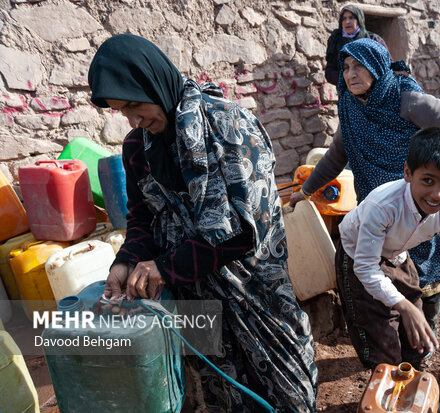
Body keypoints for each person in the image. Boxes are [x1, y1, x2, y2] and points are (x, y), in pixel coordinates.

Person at [87, 34, 317, 412]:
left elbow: (245, 231)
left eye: (134, 105)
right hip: (194, 296)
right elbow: (143, 216)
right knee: (223, 393)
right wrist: (126, 260)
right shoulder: (137, 148)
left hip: (254, 291)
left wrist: (164, 267)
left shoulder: (228, 125)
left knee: (283, 391)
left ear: (153, 81)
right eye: (121, 112)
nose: (133, 119)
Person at [290, 38, 440, 339]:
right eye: (346, 67)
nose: (351, 74)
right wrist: (307, 191)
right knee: (385, 270)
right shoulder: (350, 106)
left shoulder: (406, 99)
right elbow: (338, 154)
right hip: (380, 207)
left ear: (377, 67)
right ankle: (401, 340)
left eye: (360, 66)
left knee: (424, 269)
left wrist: (428, 163)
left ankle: (426, 341)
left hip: (417, 200)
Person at [335, 126, 440, 369]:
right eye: (428, 180)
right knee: (381, 337)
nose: (437, 194)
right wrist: (402, 306)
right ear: (408, 172)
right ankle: (387, 380)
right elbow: (365, 268)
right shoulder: (382, 206)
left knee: (416, 332)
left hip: (396, 255)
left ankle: (413, 374)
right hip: (357, 257)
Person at [325, 4, 390, 85]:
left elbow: (388, 65)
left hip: (372, 90)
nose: (347, 22)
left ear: (359, 19)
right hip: (346, 90)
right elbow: (329, 71)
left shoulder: (373, 39)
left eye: (351, 18)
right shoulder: (336, 41)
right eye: (344, 19)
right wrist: (347, 79)